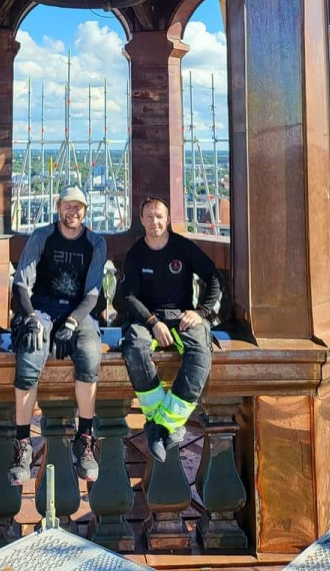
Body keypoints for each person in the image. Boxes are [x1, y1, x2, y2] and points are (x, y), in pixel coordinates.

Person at [8, 185, 107, 486]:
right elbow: (21, 284)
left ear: (85, 212)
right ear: (58, 206)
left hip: (79, 311)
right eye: (68, 205)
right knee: (30, 352)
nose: (72, 211)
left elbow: (93, 293)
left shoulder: (95, 243)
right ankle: (23, 443)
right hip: (42, 308)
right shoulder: (42, 237)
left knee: (90, 355)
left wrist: (73, 323)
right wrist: (29, 318)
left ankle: (85, 437)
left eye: (78, 207)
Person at [121, 196, 222, 462]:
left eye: (159, 216)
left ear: (167, 219)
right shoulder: (135, 254)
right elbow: (128, 297)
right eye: (149, 216)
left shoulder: (183, 247)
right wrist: (152, 322)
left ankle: (161, 425)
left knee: (201, 353)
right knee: (134, 348)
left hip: (182, 315)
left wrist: (201, 312)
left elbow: (213, 277)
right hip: (147, 318)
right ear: (141, 220)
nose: (154, 221)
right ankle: (163, 422)